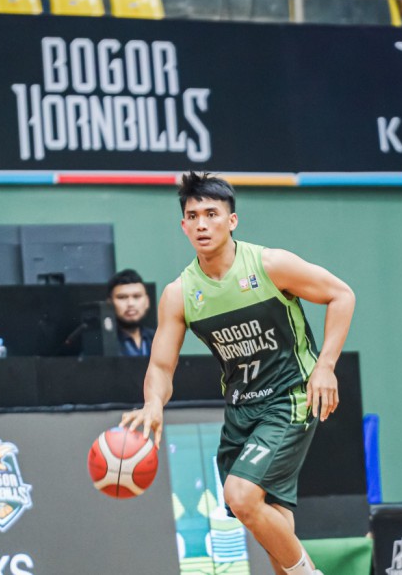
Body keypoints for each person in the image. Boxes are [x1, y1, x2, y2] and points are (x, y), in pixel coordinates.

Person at [122, 172, 355, 575]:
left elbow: (341, 295)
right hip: (241, 409)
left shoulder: (269, 265)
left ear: (232, 220)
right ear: (183, 226)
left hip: (290, 397)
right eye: (192, 216)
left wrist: (326, 366)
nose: (201, 224)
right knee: (270, 520)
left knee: (241, 495)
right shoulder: (180, 293)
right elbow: (161, 364)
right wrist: (153, 402)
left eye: (211, 214)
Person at [107, 269, 154, 357]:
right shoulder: (103, 344)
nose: (130, 304)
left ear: (147, 301)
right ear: (110, 303)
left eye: (137, 296)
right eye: (122, 297)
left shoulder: (158, 339)